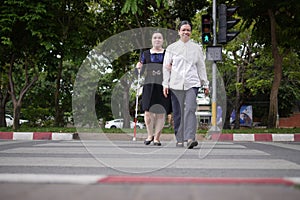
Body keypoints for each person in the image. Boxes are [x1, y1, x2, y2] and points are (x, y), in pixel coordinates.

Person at [163, 21, 209, 149]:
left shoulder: (197, 48)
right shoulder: (172, 48)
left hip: (192, 83)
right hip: (175, 83)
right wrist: (165, 84)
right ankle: (179, 138)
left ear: (191, 32)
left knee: (190, 109)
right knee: (177, 112)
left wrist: (205, 84)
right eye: (183, 30)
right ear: (179, 32)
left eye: (188, 30)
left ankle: (190, 138)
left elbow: (201, 67)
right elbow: (166, 68)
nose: (186, 32)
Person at [136, 31, 172, 146]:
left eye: (160, 38)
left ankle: (157, 138)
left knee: (161, 113)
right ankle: (149, 135)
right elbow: (140, 73)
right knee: (148, 112)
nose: (157, 40)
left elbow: (173, 68)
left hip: (162, 84)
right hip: (149, 84)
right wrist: (138, 67)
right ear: (152, 40)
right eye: (155, 38)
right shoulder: (145, 54)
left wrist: (171, 68)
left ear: (163, 40)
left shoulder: (167, 53)